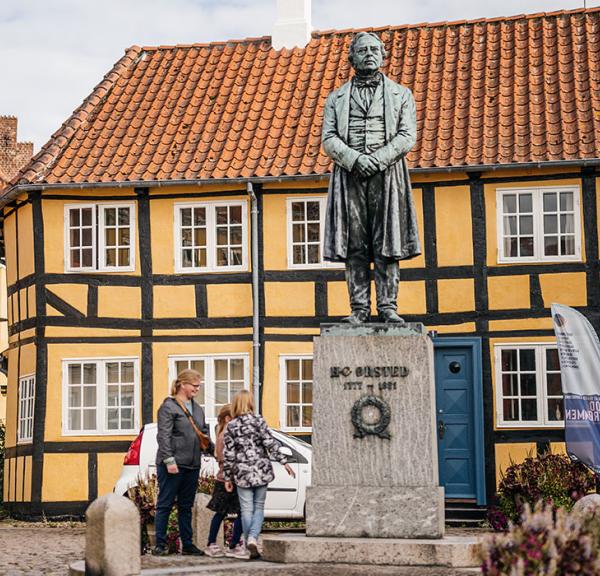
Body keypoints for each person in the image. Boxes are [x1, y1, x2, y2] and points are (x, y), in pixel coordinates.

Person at [321, 31, 421, 325]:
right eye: (362, 50)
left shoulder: (401, 94)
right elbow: (329, 138)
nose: (369, 54)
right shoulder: (336, 98)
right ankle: (359, 308)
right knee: (356, 243)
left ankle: (388, 306)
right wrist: (355, 160)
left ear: (383, 55)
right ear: (351, 57)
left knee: (388, 242)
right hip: (350, 176)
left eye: (374, 49)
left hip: (387, 175)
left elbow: (407, 136)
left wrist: (376, 160)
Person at [223, 390, 296, 559]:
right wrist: (284, 462)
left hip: (242, 473)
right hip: (261, 470)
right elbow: (270, 443)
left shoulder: (232, 426)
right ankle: (253, 539)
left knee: (246, 509)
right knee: (259, 507)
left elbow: (229, 454)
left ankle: (250, 542)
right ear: (250, 403)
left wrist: (227, 476)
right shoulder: (259, 421)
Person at [153, 368, 212, 556]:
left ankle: (187, 544)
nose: (197, 389)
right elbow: (163, 436)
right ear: (182, 385)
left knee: (186, 507)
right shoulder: (168, 407)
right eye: (195, 385)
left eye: (199, 386)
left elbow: (203, 433)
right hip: (173, 464)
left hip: (192, 464)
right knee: (165, 504)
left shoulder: (198, 409)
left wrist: (215, 452)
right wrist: (169, 460)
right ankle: (160, 544)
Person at [204, 404, 246, 559]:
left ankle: (220, 543)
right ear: (229, 418)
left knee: (224, 513)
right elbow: (227, 458)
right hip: (227, 479)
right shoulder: (226, 435)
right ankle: (228, 544)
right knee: (229, 512)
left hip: (227, 478)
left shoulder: (223, 432)